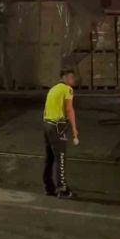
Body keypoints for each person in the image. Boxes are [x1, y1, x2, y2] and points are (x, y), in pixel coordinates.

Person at [43, 69, 79, 199]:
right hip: (58, 127)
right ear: (65, 78)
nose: (73, 80)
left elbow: (47, 109)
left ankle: (49, 187)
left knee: (50, 158)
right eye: (71, 77)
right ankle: (62, 190)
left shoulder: (53, 89)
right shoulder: (67, 89)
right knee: (61, 158)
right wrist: (74, 129)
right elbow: (69, 109)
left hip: (47, 124)